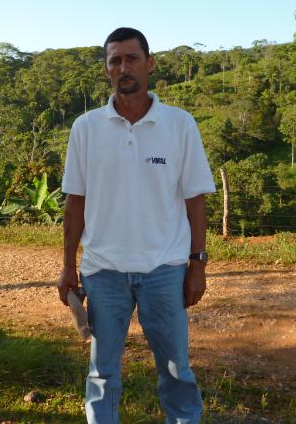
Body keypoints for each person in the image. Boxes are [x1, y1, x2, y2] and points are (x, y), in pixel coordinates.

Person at [58, 27, 215, 424]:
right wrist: (67, 266)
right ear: (107, 69)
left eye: (131, 58)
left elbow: (195, 200)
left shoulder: (179, 124)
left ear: (149, 64)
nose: (123, 67)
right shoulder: (86, 128)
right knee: (102, 373)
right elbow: (75, 203)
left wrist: (197, 264)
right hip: (102, 271)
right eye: (115, 60)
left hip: (165, 269)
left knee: (176, 369)